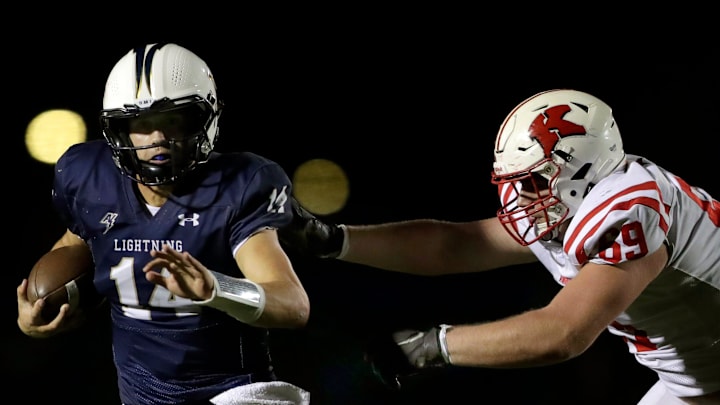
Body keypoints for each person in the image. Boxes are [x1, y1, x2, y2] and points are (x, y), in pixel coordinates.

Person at [280, 89, 720, 404]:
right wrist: (337, 241)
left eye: (531, 182)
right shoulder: (579, 198)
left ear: (583, 169)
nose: (519, 199)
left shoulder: (627, 208)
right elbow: (458, 244)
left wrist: (435, 345)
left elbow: (563, 333)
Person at [17, 43, 311, 405]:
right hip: (142, 395)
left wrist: (216, 288)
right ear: (118, 131)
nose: (157, 138)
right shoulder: (87, 177)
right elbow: (75, 243)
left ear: (205, 120)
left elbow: (292, 303)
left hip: (235, 392)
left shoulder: (238, 185)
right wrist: (37, 308)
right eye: (141, 124)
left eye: (174, 120)